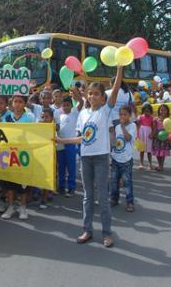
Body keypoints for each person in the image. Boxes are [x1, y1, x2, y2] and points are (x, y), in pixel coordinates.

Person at [57, 66, 124, 248]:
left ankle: (107, 233)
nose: (93, 96)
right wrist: (60, 139)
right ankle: (87, 230)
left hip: (101, 158)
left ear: (103, 98)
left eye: (96, 94)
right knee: (87, 196)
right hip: (86, 159)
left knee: (102, 196)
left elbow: (116, 88)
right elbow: (80, 138)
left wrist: (120, 69)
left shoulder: (105, 111)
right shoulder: (83, 114)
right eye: (90, 93)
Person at [0, 94, 35, 220]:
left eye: (20, 101)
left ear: (25, 103)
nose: (18, 104)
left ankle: (23, 207)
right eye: (15, 101)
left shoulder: (30, 117)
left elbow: (34, 134)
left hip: (24, 155)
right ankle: (11, 206)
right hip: (10, 154)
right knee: (9, 183)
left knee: (23, 184)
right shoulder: (7, 117)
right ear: (12, 103)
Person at [109, 105, 136, 212]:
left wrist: (123, 126)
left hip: (126, 160)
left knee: (127, 182)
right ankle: (114, 199)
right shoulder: (117, 127)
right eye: (121, 114)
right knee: (114, 181)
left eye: (125, 114)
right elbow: (115, 142)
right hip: (116, 158)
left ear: (129, 115)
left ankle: (130, 202)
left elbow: (128, 138)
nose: (122, 116)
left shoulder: (132, 126)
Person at [57, 92, 83, 196]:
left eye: (68, 105)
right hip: (60, 144)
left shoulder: (74, 112)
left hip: (71, 144)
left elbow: (81, 102)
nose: (66, 107)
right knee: (61, 167)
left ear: (71, 105)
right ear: (61, 106)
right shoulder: (58, 114)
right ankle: (61, 186)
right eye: (64, 105)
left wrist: (77, 96)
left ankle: (71, 187)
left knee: (71, 167)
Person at [152, 104, 171, 171]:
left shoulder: (168, 119)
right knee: (157, 151)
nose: (163, 111)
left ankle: (161, 165)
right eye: (161, 110)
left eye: (164, 110)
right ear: (159, 111)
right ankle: (159, 164)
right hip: (157, 137)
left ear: (167, 111)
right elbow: (154, 128)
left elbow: (170, 128)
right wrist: (153, 134)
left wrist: (169, 136)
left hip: (165, 138)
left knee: (163, 152)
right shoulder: (156, 119)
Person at [136, 103, 154, 169]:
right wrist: (137, 135)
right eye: (145, 111)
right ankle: (141, 163)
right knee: (142, 149)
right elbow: (137, 126)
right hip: (142, 133)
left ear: (150, 111)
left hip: (148, 133)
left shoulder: (152, 118)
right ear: (143, 111)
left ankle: (150, 164)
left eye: (148, 111)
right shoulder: (140, 117)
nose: (147, 113)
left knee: (149, 150)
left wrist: (152, 134)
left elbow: (153, 127)